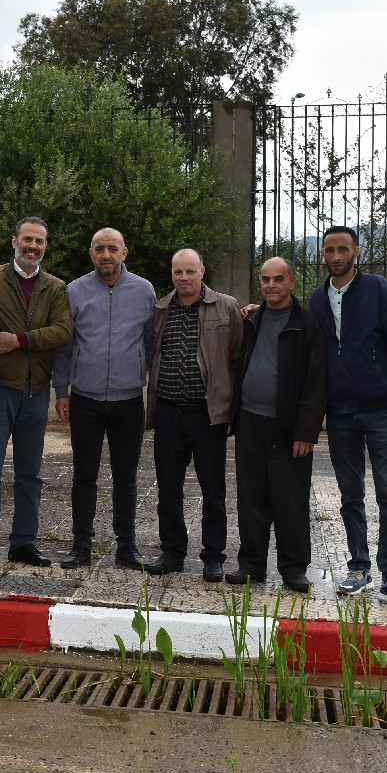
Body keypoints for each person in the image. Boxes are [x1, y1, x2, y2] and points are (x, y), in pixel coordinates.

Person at [309, 225, 387, 610]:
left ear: (356, 252)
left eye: (343, 249)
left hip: (381, 411)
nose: (336, 256)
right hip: (339, 413)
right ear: (323, 253)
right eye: (330, 249)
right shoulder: (318, 298)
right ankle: (359, 568)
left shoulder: (377, 289)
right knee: (350, 495)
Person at [52, 228, 155, 570]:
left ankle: (127, 546)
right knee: (84, 475)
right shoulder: (74, 291)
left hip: (129, 401)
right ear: (91, 253)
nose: (106, 254)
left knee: (126, 477)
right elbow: (64, 346)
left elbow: (150, 342)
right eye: (100, 248)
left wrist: (142, 378)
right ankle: (81, 545)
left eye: (112, 248)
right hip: (86, 399)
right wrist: (62, 390)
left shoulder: (143, 290)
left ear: (124, 253)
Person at [0, 216, 71, 566]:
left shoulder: (55, 287)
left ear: (45, 246)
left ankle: (23, 542)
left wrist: (18, 340)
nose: (33, 246)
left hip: (35, 390)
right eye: (27, 239)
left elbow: (63, 331)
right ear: (14, 241)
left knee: (30, 472)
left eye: (39, 241)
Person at [227, 257, 327, 593]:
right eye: (266, 279)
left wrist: (306, 431)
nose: (271, 285)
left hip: (288, 429)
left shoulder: (308, 325)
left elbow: (316, 384)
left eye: (278, 279)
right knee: (251, 498)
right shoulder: (251, 320)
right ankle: (251, 564)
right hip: (249, 421)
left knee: (291, 501)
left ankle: (294, 568)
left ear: (293, 282)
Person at [145, 248, 243, 582]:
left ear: (202, 271)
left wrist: (231, 408)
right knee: (168, 489)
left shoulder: (226, 307)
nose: (184, 277)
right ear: (171, 274)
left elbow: (237, 357)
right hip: (168, 413)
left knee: (213, 491)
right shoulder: (160, 309)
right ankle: (173, 552)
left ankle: (213, 557)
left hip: (207, 416)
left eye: (190, 271)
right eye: (178, 272)